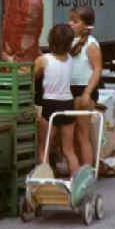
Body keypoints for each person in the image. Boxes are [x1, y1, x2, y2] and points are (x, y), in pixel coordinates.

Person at [33, 24, 79, 177]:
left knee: (44, 147)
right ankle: (77, 183)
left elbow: (33, 77)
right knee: (69, 149)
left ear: (50, 40)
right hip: (68, 103)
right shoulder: (71, 60)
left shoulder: (42, 60)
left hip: (50, 104)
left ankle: (46, 181)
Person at [68, 5, 103, 168]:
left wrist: (87, 93)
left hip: (84, 91)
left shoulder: (91, 44)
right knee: (72, 134)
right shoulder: (70, 41)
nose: (70, 24)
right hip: (69, 91)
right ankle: (77, 170)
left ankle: (87, 171)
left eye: (75, 21)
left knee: (83, 135)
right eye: (70, 20)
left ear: (86, 25)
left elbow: (97, 70)